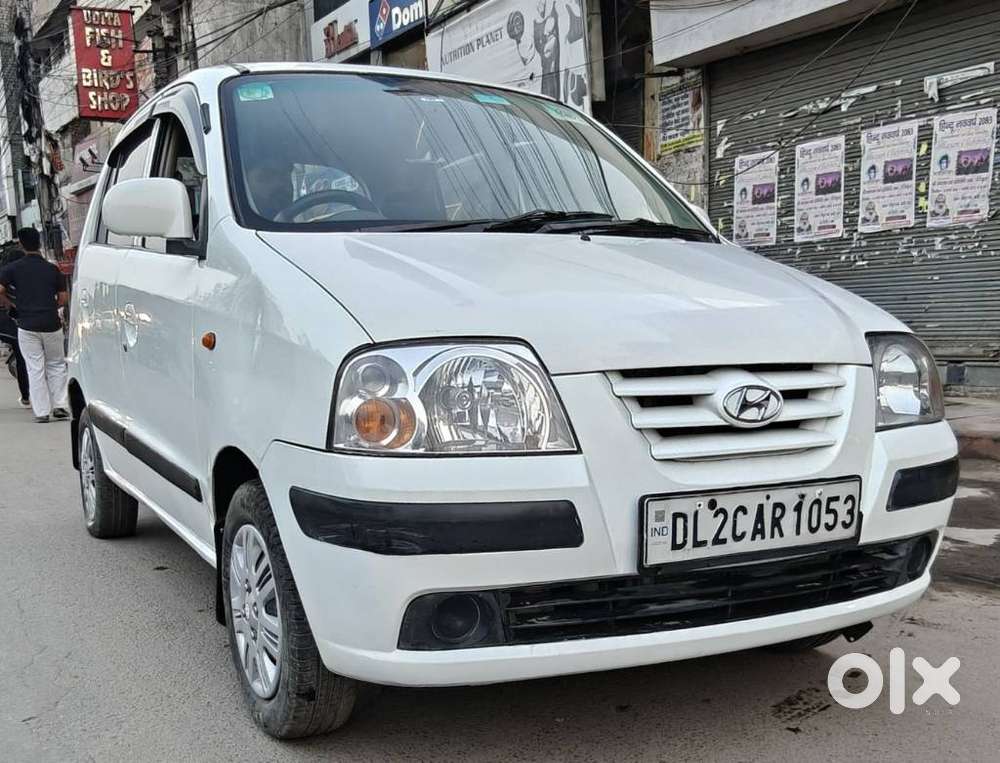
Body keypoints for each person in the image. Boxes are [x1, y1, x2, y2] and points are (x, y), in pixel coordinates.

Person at [0, 228, 69, 422]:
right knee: (56, 364)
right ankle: (61, 406)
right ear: (39, 243)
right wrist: (49, 307)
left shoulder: (12, 269)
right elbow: (63, 298)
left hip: (27, 325)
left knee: (34, 367)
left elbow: (0, 290)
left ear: (21, 245)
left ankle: (42, 412)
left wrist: (11, 305)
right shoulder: (52, 269)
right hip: (51, 324)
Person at [0, 246, 29, 406]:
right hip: (17, 322)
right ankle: (26, 396)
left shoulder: (6, 273)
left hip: (9, 321)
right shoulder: (22, 275)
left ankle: (26, 396)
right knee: (23, 359)